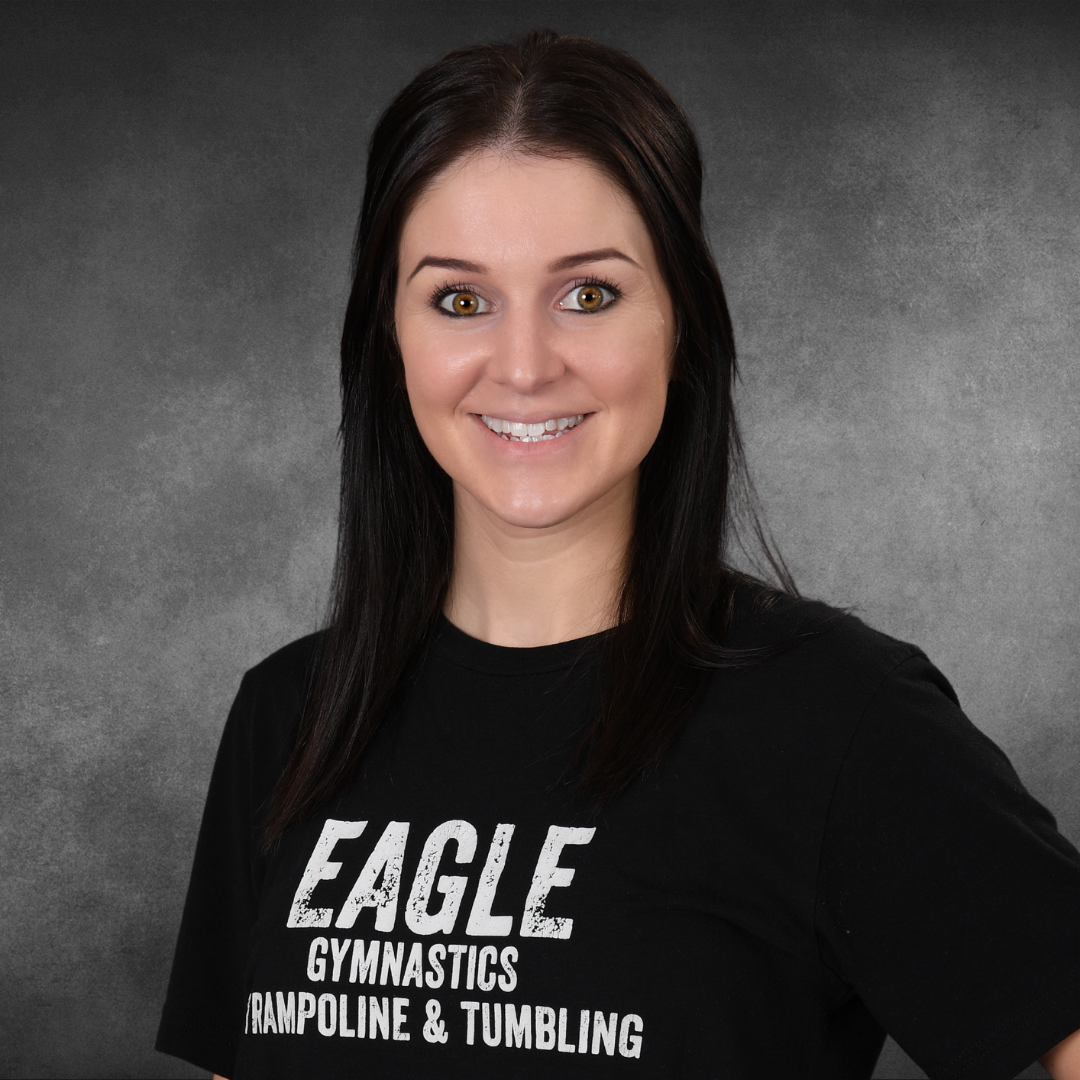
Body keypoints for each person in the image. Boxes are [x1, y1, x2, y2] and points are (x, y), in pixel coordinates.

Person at [155, 30, 1080, 1080]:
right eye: (460, 299)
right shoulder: (290, 715)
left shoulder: (841, 722)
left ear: (679, 322)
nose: (524, 365)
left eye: (588, 294)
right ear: (390, 337)